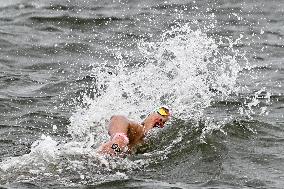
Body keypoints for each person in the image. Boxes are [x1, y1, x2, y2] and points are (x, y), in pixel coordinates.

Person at [97, 106, 171, 156]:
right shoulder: (137, 128)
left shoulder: (145, 144)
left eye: (163, 123)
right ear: (149, 115)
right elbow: (118, 118)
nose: (161, 119)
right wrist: (119, 139)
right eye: (162, 112)